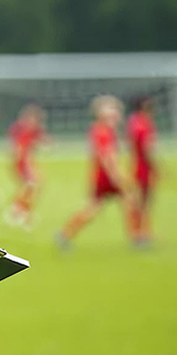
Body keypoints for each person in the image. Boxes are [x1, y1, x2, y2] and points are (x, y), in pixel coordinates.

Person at [56, 95, 135, 249]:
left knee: (127, 203)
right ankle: (138, 237)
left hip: (104, 175)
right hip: (106, 176)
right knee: (104, 206)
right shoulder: (102, 131)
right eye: (113, 110)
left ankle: (137, 236)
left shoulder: (105, 130)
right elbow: (106, 156)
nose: (117, 114)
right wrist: (117, 176)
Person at [4, 103, 47, 230]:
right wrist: (26, 164)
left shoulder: (30, 130)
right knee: (32, 186)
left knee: (32, 187)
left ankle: (20, 211)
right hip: (23, 163)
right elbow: (20, 148)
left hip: (26, 162)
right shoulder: (24, 130)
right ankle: (18, 211)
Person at [126, 96, 157, 246]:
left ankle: (141, 233)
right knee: (142, 202)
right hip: (143, 167)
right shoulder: (144, 124)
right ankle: (141, 235)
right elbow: (147, 149)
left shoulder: (133, 121)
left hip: (134, 164)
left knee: (138, 202)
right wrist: (155, 167)